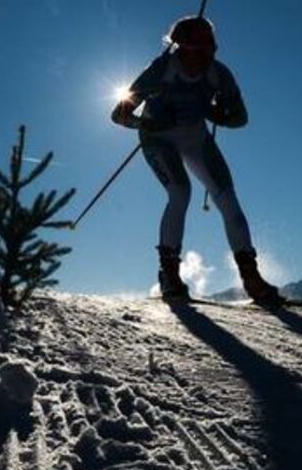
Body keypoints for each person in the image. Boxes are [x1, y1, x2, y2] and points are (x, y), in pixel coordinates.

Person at [111, 15, 279, 305]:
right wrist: (148, 124)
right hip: (159, 139)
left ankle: (250, 276)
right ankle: (169, 274)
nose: (204, 57)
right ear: (181, 47)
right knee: (180, 192)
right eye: (197, 50)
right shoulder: (160, 70)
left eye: (209, 50)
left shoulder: (218, 74)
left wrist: (217, 115)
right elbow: (118, 114)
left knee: (227, 197)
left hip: (196, 138)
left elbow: (241, 119)